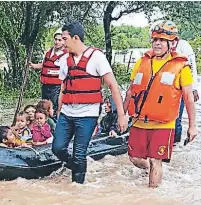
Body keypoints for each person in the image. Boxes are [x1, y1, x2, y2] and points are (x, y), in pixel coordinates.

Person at [123, 20, 197, 188]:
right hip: (139, 120)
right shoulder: (142, 62)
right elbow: (130, 91)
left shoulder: (181, 67)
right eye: (155, 39)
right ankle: (148, 168)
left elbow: (188, 98)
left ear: (171, 43)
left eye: (162, 40)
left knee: (157, 160)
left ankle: (151, 196)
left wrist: (192, 126)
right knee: (134, 158)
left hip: (164, 124)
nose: (157, 43)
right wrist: (121, 114)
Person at [52, 21, 128, 184]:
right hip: (67, 112)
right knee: (57, 148)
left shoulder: (97, 57)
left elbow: (113, 87)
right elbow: (63, 88)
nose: (62, 43)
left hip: (87, 115)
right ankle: (78, 166)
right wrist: (59, 111)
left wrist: (121, 115)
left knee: (79, 153)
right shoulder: (65, 60)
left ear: (75, 38)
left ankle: (77, 190)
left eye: (65, 39)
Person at [29, 28, 67, 120]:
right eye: (55, 39)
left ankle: (54, 127)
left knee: (53, 109)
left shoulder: (66, 55)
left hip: (56, 86)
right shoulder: (49, 52)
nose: (57, 42)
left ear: (64, 42)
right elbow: (45, 65)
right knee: (43, 107)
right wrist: (33, 65)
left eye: (59, 40)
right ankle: (45, 126)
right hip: (46, 85)